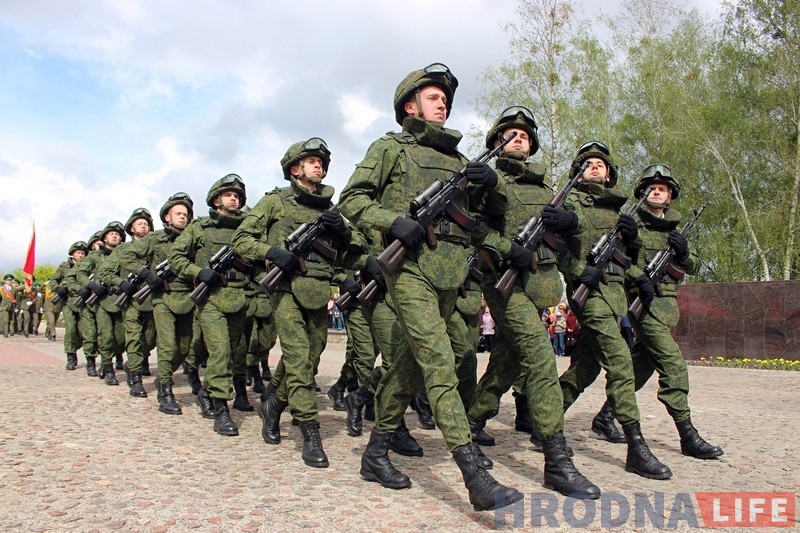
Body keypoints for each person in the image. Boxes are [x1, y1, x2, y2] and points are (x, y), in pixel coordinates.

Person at [337, 63, 522, 511]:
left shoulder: (463, 163)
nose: (443, 103)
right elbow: (352, 199)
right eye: (433, 96)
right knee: (439, 362)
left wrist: (493, 186)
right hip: (412, 270)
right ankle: (472, 473)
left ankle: (376, 453)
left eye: (446, 98)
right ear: (410, 105)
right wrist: (393, 221)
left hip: (452, 274)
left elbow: (491, 219)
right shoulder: (390, 148)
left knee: (410, 366)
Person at [465, 105, 599, 499]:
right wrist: (507, 246)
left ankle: (472, 422)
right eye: (509, 133)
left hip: (540, 285)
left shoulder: (547, 190)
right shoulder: (486, 180)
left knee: (507, 360)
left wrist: (571, 225)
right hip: (505, 284)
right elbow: (472, 229)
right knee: (541, 360)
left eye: (523, 134)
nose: (517, 137)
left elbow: (568, 242)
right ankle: (557, 462)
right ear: (495, 143)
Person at [233, 137, 363, 468]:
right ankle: (309, 431)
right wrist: (270, 252)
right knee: (298, 361)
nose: (319, 165)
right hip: (286, 290)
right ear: (295, 169)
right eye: (312, 160)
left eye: (322, 161)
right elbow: (242, 240)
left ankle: (274, 402)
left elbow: (358, 247)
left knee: (311, 357)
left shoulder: (330, 210)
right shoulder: (276, 202)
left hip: (318, 292)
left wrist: (345, 233)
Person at [590, 164, 723, 460]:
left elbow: (695, 265)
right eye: (651, 187)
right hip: (643, 304)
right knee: (673, 365)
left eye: (663, 189)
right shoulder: (631, 223)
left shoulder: (676, 231)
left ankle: (605, 415)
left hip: (667, 307)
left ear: (670, 196)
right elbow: (617, 258)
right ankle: (687, 435)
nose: (657, 192)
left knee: (642, 365)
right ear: (641, 192)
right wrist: (639, 276)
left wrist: (685, 252)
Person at [557, 141, 671, 480]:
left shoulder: (622, 213)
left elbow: (630, 263)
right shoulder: (569, 203)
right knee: (621, 363)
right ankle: (636, 447)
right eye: (588, 163)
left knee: (586, 368)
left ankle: (544, 416)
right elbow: (554, 253)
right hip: (589, 295)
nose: (595, 167)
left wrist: (634, 243)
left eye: (600, 164)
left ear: (609, 174)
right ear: (577, 172)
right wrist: (578, 272)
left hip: (616, 298)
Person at [169, 175, 252, 436]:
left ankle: (208, 390)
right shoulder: (200, 228)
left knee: (235, 355)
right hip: (212, 299)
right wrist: (198, 271)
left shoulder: (246, 229)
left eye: (237, 195)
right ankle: (221, 408)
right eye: (228, 194)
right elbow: (175, 257)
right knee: (220, 352)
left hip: (239, 299)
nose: (234, 198)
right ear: (216, 200)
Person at [118, 193, 197, 414]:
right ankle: (166, 392)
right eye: (178, 213)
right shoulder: (156, 238)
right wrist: (147, 274)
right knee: (166, 344)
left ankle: (164, 376)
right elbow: (126, 257)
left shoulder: (193, 237)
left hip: (187, 297)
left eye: (186, 214)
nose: (183, 217)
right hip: (162, 298)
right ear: (167, 216)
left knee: (184, 347)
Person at [98, 207, 156, 397]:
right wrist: (121, 283)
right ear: (131, 228)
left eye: (147, 223)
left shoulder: (156, 247)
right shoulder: (122, 250)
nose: (144, 226)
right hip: (132, 301)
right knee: (132, 338)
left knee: (150, 340)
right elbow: (105, 273)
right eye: (140, 223)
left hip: (153, 300)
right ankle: (136, 380)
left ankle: (133, 364)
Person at [76, 221, 128, 385]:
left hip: (121, 300)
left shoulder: (125, 254)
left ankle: (110, 360)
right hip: (103, 300)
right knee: (106, 336)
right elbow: (80, 274)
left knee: (121, 338)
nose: (115, 236)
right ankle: (108, 368)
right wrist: (92, 285)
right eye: (111, 233)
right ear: (105, 238)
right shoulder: (94, 257)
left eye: (118, 234)